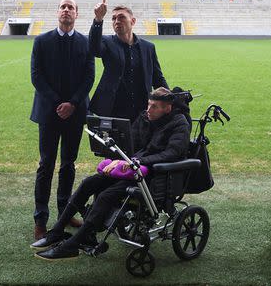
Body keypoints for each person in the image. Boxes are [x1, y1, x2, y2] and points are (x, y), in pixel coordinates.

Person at [31, 87, 190, 260]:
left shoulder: (179, 123)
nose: (148, 110)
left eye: (154, 107)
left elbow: (174, 153)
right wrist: (115, 157)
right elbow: (129, 144)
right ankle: (56, 231)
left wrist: (139, 162)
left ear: (167, 108)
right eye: (148, 104)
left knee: (106, 196)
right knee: (88, 183)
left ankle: (74, 243)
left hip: (151, 176)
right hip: (131, 169)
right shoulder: (146, 117)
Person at [30, 0, 95, 240]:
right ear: (57, 12)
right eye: (63, 6)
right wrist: (59, 103)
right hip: (49, 113)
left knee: (68, 165)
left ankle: (65, 214)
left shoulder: (86, 43)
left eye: (71, 7)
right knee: (46, 165)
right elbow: (36, 77)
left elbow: (89, 77)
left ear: (77, 14)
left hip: (75, 114)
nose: (66, 10)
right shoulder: (41, 41)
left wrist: (73, 104)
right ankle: (40, 219)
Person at [89, 0, 168, 123]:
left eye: (121, 17)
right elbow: (94, 49)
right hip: (112, 108)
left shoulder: (148, 47)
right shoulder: (107, 42)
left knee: (140, 142)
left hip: (141, 109)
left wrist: (169, 98)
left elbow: (157, 78)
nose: (117, 21)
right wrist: (98, 19)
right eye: (114, 18)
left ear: (133, 21)